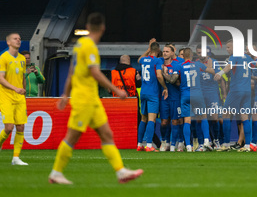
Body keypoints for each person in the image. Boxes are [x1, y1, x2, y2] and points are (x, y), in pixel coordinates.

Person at [48, 13, 143, 184]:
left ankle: (121, 171)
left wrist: (64, 94)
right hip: (84, 100)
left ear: (88, 27)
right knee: (72, 137)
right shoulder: (89, 46)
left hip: (92, 100)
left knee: (107, 134)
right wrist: (116, 90)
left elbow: (71, 72)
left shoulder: (79, 46)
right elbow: (95, 72)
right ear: (103, 28)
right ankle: (56, 173)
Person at [214, 39, 257, 152]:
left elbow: (229, 67)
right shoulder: (248, 58)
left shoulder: (234, 56)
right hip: (247, 91)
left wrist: (220, 73)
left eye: (228, 47)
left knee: (226, 115)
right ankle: (247, 146)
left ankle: (226, 144)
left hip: (236, 90)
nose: (227, 49)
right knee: (245, 117)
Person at [0, 33, 28, 165]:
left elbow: (22, 77)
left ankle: (16, 158)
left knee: (21, 127)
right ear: (8, 42)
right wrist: (15, 89)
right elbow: (1, 78)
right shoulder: (3, 57)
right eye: (15, 39)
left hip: (19, 97)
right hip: (6, 96)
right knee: (9, 127)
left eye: (20, 39)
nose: (18, 40)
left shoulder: (22, 58)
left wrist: (23, 91)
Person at [137, 40, 168, 152]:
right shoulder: (158, 60)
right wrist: (165, 87)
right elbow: (159, 76)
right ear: (159, 50)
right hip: (152, 93)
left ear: (150, 50)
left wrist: (148, 49)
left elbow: (139, 59)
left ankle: (139, 144)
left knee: (143, 119)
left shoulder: (144, 60)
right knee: (152, 119)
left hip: (143, 92)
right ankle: (149, 145)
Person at [196, 45, 221, 150]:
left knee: (215, 118)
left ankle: (216, 140)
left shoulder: (214, 61)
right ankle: (202, 143)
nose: (200, 54)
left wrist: (208, 68)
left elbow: (218, 75)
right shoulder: (196, 63)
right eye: (198, 52)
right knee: (199, 119)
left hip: (212, 93)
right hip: (200, 93)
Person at [160, 45, 182, 151]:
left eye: (167, 51)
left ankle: (174, 143)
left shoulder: (176, 65)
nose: (164, 53)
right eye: (163, 51)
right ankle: (165, 142)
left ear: (172, 53)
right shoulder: (159, 64)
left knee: (175, 121)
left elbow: (174, 81)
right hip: (164, 98)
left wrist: (163, 73)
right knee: (164, 122)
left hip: (175, 97)